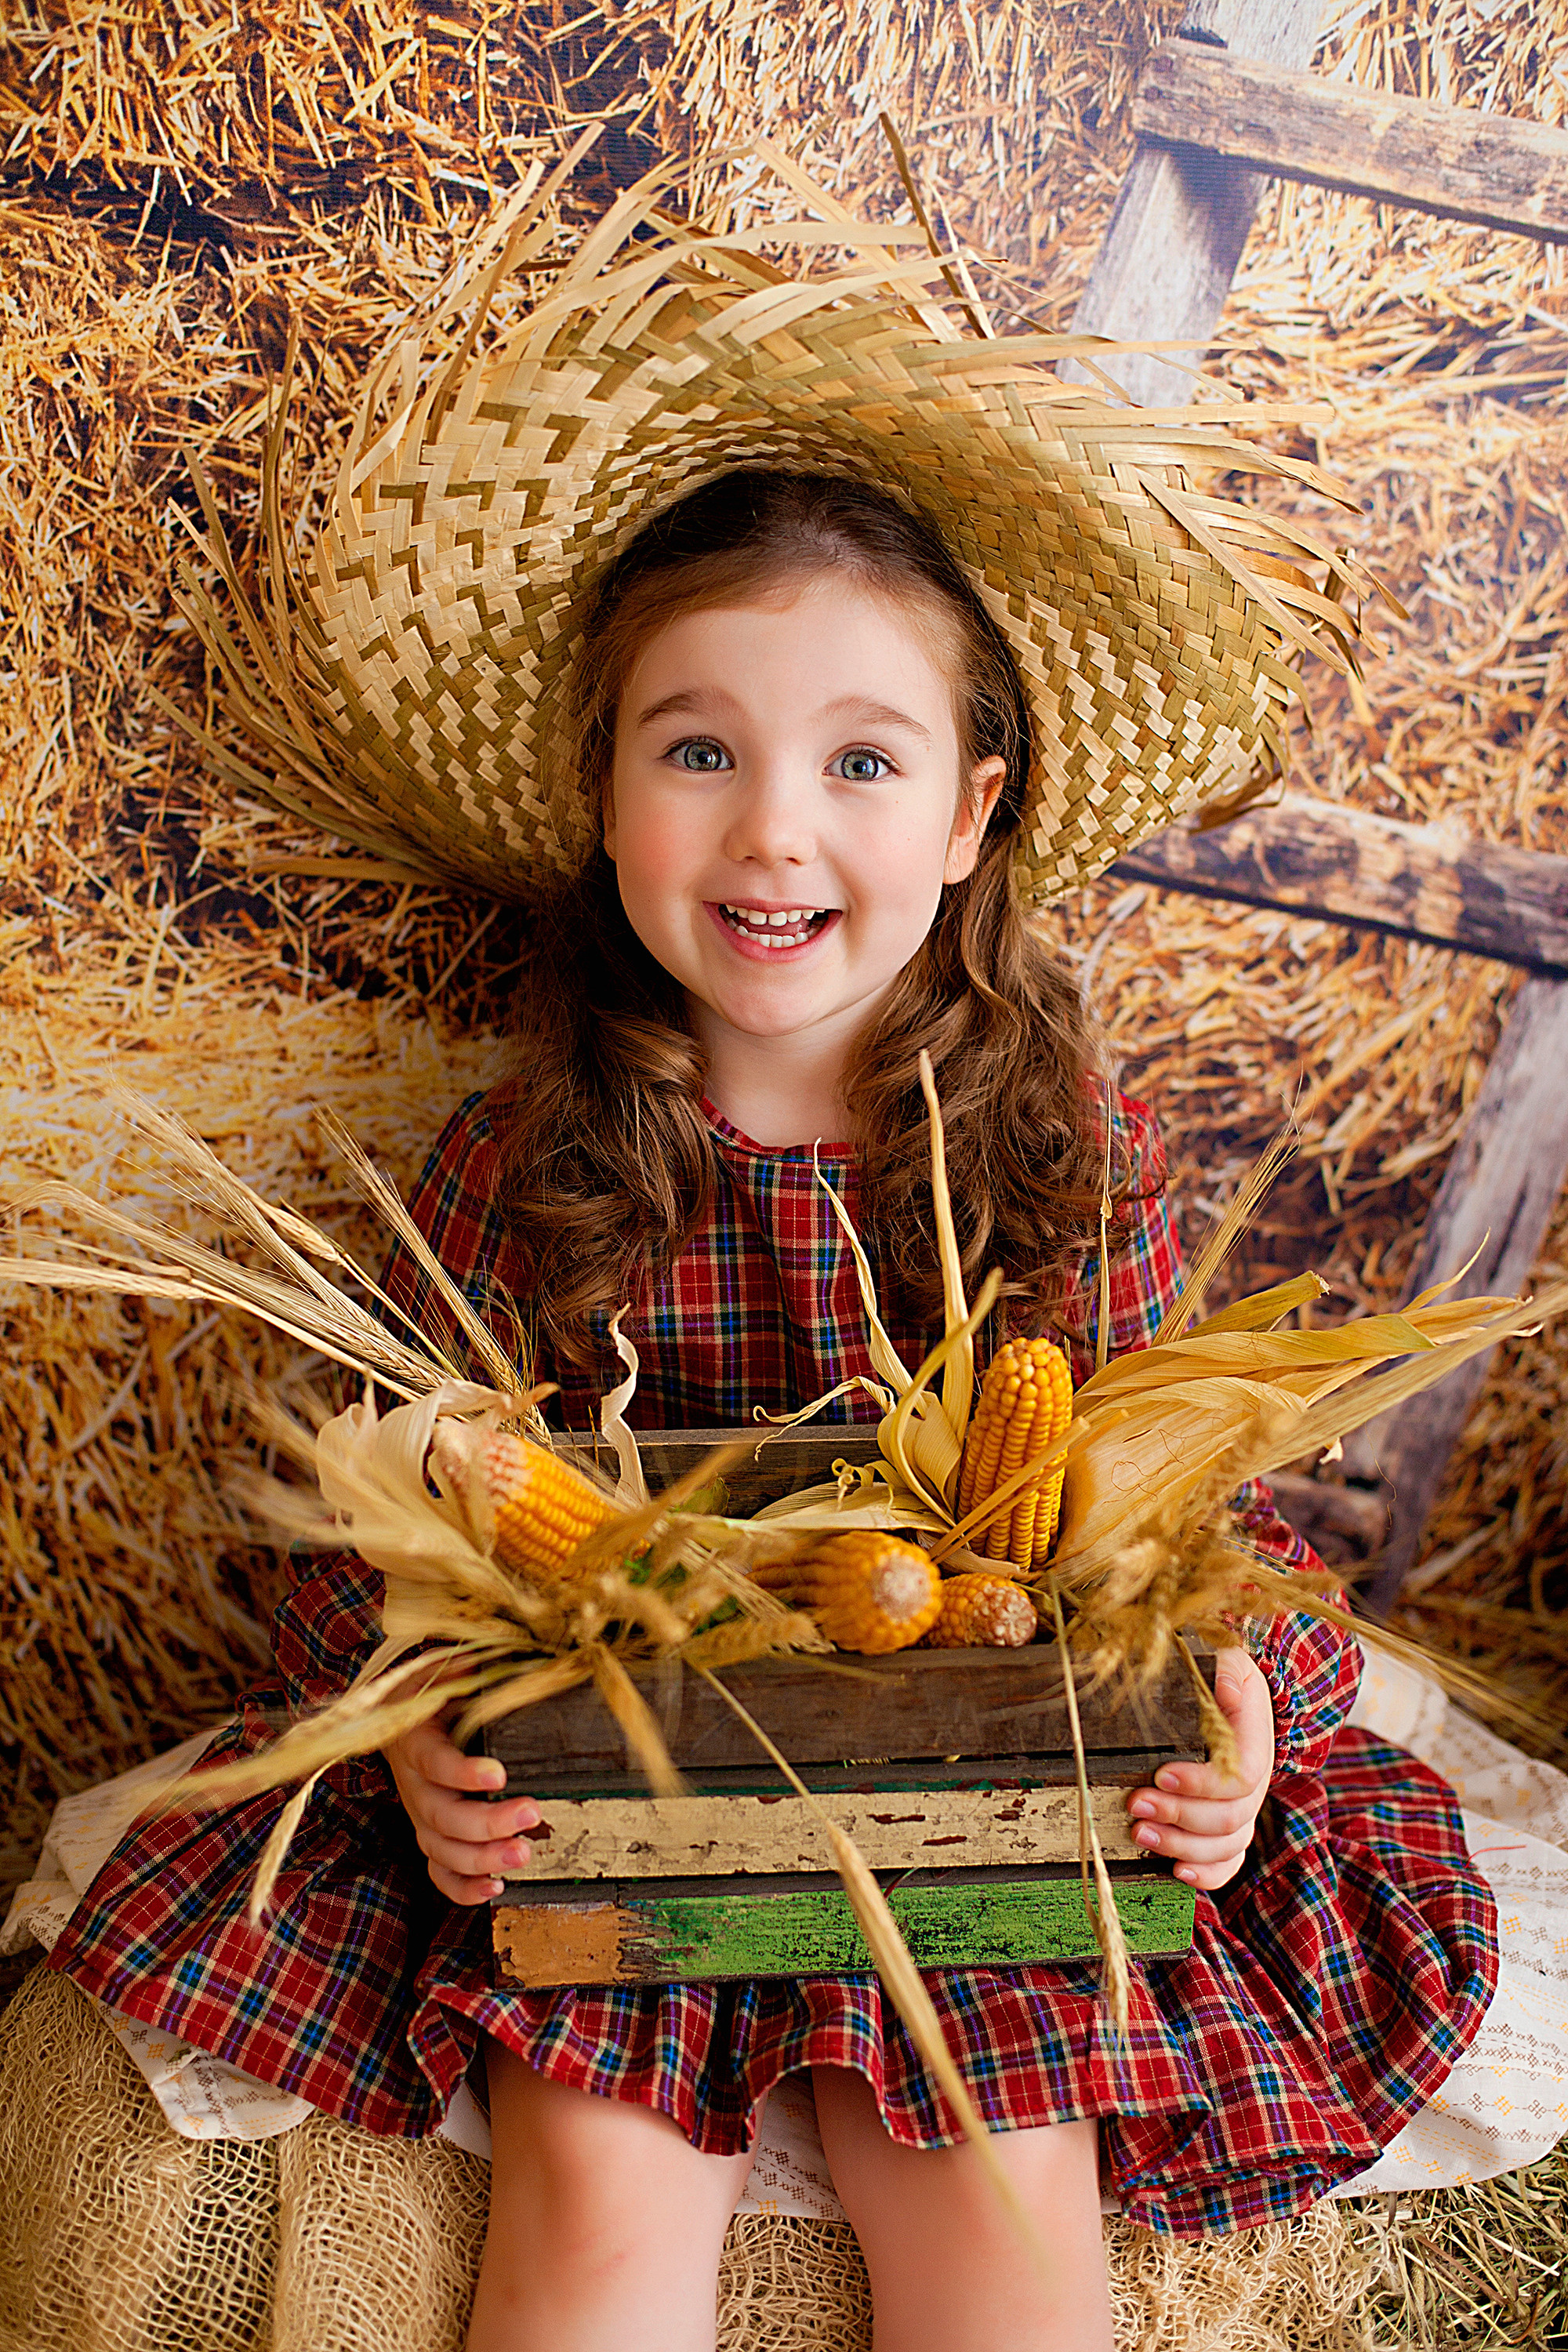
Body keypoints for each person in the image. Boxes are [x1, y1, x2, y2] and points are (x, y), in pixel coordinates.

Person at [48, 189, 1497, 2352]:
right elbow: (374, 1534)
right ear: (606, 796)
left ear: (973, 816)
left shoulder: (1064, 1168)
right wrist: (422, 1749)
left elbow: (1219, 1529)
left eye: (861, 760)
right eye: (698, 748)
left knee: (1002, 2224)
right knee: (592, 2223)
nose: (775, 833)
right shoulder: (517, 1167)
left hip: (980, 1796)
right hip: (633, 1804)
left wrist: (1241, 1722)